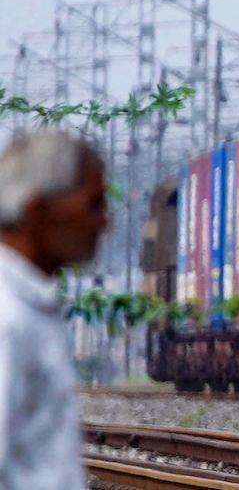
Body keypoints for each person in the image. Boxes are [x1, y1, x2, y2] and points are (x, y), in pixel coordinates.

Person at [0, 129, 110, 490]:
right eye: (93, 204)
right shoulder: (7, 316)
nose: (105, 222)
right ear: (39, 210)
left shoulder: (32, 306)